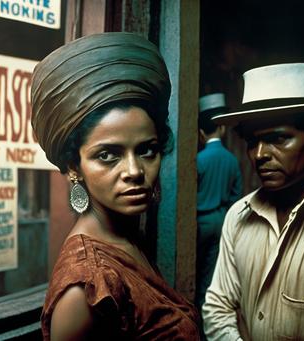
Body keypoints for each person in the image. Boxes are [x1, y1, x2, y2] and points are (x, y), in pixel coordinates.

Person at [31, 32, 200, 340]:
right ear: (73, 167)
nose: (135, 171)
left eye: (146, 150)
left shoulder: (126, 239)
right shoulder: (83, 289)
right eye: (108, 155)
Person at [203, 63, 304, 340]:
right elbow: (216, 309)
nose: (259, 154)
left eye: (278, 139)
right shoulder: (238, 216)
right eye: (252, 141)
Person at [195, 93, 242, 332]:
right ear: (222, 129)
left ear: (201, 133)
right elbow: (237, 196)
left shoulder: (197, 160)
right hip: (222, 220)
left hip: (199, 223)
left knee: (194, 269)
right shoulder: (232, 160)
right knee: (211, 276)